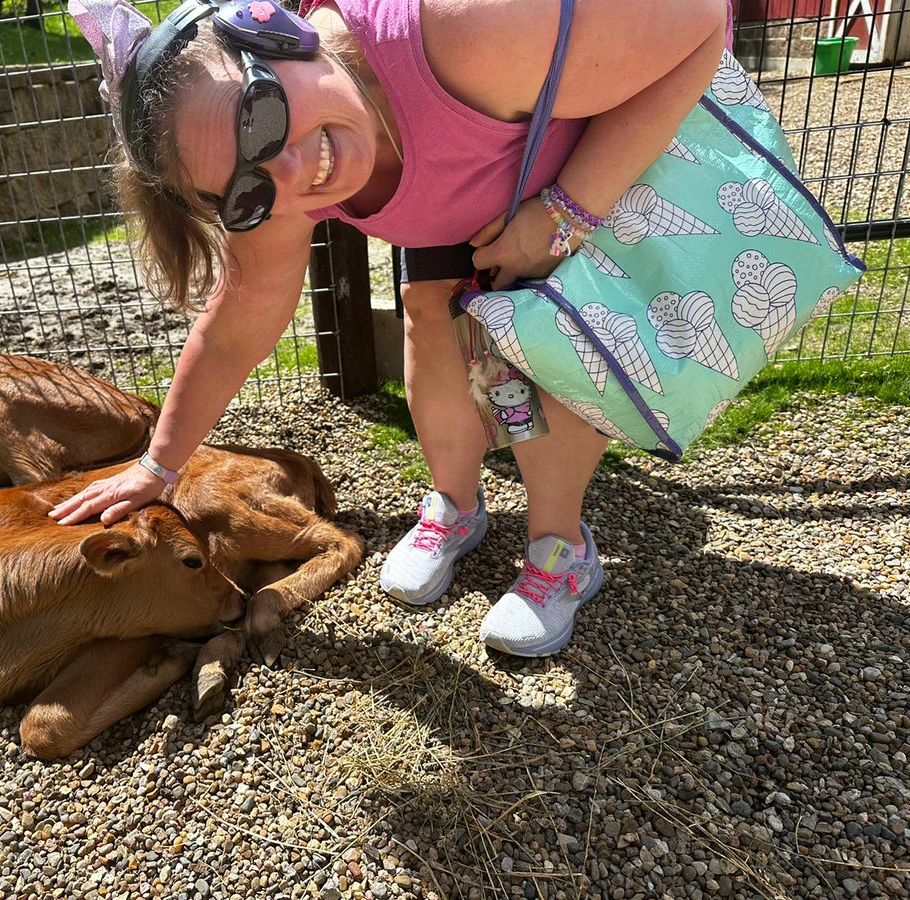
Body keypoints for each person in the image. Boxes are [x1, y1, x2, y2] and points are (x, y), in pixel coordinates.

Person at [54, 0, 733, 657]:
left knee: (540, 348)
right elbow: (234, 329)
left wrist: (564, 214)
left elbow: (702, 21)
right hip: (462, 202)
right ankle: (456, 507)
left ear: (281, 32)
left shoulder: (468, 29)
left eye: (260, 118)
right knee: (429, 318)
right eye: (246, 190)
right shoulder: (274, 184)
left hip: (576, 181)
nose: (292, 173)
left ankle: (562, 547)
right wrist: (158, 465)